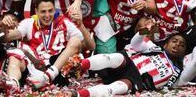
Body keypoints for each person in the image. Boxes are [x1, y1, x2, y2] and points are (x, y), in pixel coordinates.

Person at [0, 0, 88, 93]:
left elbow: (85, 45)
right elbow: (5, 38)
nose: (47, 15)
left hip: (58, 70)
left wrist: (81, 25)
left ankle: (49, 76)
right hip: (36, 70)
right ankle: (13, 83)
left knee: (75, 41)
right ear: (36, 11)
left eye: (50, 11)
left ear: (54, 10)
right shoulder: (29, 23)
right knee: (16, 55)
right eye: (43, 12)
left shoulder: (64, 22)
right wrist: (4, 24)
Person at [66, 28, 194, 97]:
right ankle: (79, 65)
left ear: (184, 53)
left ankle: (78, 95)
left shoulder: (178, 73)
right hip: (127, 63)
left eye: (182, 45)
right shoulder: (154, 48)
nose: (177, 45)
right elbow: (135, 43)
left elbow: (194, 65)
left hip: (135, 80)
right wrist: (144, 31)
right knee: (116, 58)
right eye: (175, 41)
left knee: (118, 88)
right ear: (166, 44)